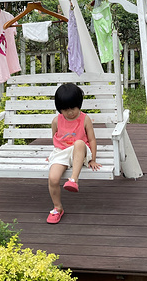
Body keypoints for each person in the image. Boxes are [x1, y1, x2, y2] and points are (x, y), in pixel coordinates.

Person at [47, 83, 101, 224]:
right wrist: (54, 155)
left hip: (81, 152)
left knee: (79, 143)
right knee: (53, 178)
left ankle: (73, 180)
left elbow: (92, 139)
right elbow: (56, 139)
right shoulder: (56, 121)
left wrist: (93, 159)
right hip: (63, 152)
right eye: (66, 109)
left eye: (73, 108)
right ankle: (57, 208)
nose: (70, 112)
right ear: (60, 109)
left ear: (79, 104)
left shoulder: (85, 119)